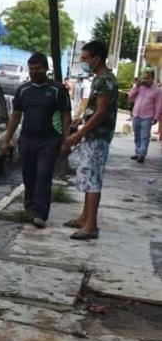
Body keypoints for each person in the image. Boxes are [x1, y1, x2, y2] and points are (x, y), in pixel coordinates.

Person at [2, 53, 71, 228]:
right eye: (31, 69)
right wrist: (6, 139)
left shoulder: (57, 90)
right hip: (27, 139)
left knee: (43, 174)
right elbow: (15, 116)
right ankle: (30, 209)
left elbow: (65, 117)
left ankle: (40, 213)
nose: (34, 72)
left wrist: (66, 141)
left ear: (46, 69)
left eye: (38, 69)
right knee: (29, 175)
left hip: (49, 140)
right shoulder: (23, 90)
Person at [61, 41, 119, 241]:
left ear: (96, 58)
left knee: (92, 180)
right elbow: (97, 110)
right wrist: (82, 119)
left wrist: (78, 134)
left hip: (97, 137)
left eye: (85, 58)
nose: (82, 61)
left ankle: (91, 225)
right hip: (94, 135)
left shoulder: (104, 81)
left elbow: (102, 113)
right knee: (87, 177)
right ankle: (84, 218)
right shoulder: (101, 79)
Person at [129, 69, 162, 163]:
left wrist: (156, 117)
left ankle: (142, 154)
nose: (145, 80)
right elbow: (130, 97)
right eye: (144, 78)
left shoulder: (157, 91)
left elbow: (158, 105)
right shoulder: (140, 88)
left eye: (147, 78)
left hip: (147, 117)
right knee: (137, 135)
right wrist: (136, 86)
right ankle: (137, 152)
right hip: (136, 115)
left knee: (144, 136)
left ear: (152, 78)